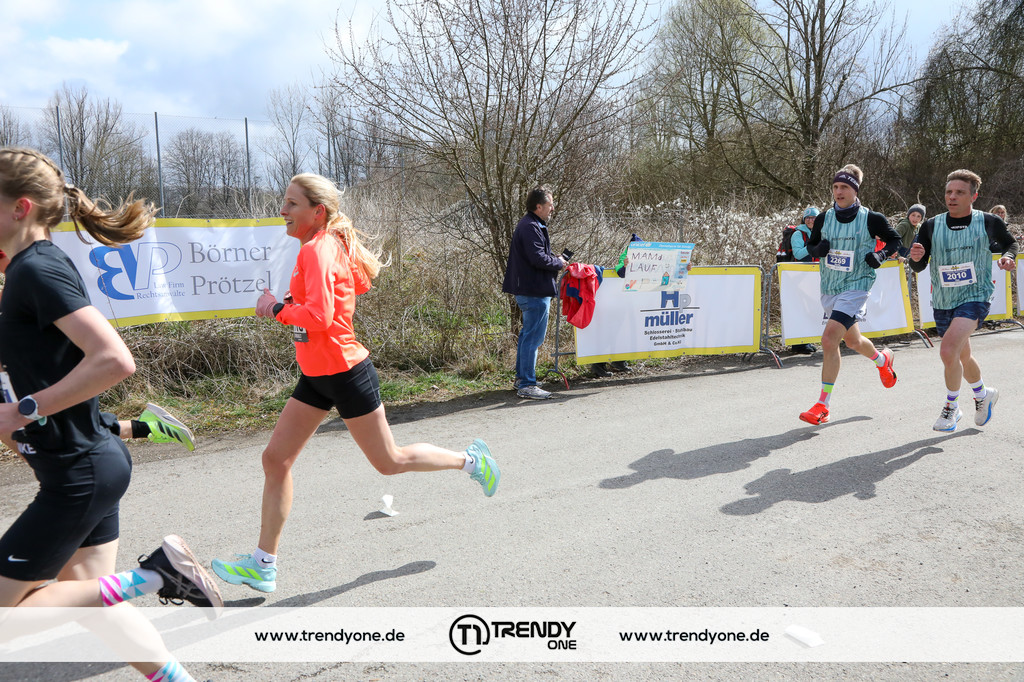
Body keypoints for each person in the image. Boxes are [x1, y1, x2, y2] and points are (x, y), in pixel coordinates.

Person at [212, 173, 499, 593]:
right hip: (316, 375)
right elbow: (352, 288)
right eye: (284, 202)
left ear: (317, 212)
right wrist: (297, 300)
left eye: (291, 204)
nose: (282, 210)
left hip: (345, 373)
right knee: (275, 460)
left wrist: (275, 308)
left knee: (389, 462)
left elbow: (321, 317)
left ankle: (471, 461)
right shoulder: (327, 244)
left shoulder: (318, 248)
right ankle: (262, 565)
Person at [0, 146, 221, 682]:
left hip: (78, 474)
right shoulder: (29, 269)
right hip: (87, 463)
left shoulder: (37, 270)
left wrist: (22, 411)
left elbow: (115, 360)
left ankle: (157, 576)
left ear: (20, 207)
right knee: (93, 602)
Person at [0, 249, 195, 452]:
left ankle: (148, 427)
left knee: (48, 432)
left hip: (23, 362)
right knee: (50, 431)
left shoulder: (29, 270)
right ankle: (148, 426)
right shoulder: (25, 273)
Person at [908, 169, 1017, 431]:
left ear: (973, 196)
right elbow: (919, 265)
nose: (952, 197)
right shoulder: (931, 225)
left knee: (948, 350)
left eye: (959, 192)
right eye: (949, 192)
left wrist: (1008, 257)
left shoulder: (989, 221)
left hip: (975, 295)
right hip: (944, 299)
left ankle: (951, 407)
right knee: (962, 355)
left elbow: (1011, 244)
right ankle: (983, 394)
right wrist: (916, 257)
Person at [799, 164, 902, 425]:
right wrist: (817, 250)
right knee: (853, 341)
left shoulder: (871, 218)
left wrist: (880, 255)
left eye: (844, 187)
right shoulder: (823, 218)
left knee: (828, 339)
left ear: (855, 190)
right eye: (835, 187)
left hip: (857, 284)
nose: (839, 191)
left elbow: (895, 240)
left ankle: (822, 405)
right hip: (831, 286)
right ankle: (882, 360)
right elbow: (811, 244)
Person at [502, 186, 567, 399]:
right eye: (550, 205)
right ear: (539, 206)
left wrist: (554, 259)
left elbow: (538, 254)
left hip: (530, 289)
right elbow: (537, 258)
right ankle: (527, 385)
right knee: (533, 338)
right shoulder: (530, 227)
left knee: (526, 336)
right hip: (533, 291)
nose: (552, 208)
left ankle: (522, 379)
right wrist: (558, 262)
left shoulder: (531, 224)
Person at [789, 206, 820, 355]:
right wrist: (813, 246)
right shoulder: (798, 234)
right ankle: (798, 344)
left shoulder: (821, 232)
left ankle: (806, 340)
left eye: (813, 217)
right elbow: (798, 254)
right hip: (799, 276)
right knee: (800, 309)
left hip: (814, 276)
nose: (810, 220)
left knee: (811, 309)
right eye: (807, 218)